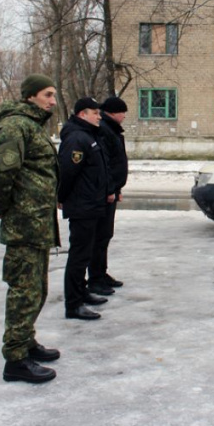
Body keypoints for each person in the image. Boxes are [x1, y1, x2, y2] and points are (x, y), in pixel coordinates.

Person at [0, 73, 61, 384]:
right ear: (30, 96)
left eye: (53, 95)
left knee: (37, 289)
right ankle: (15, 359)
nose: (52, 101)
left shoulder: (31, 125)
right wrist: (1, 206)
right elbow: (1, 172)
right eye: (47, 95)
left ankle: (26, 341)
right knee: (24, 291)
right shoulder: (15, 126)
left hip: (37, 221)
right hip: (24, 224)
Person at [59, 97, 113, 320]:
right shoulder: (77, 138)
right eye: (95, 112)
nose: (99, 116)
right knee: (79, 256)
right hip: (82, 206)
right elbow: (67, 173)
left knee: (86, 253)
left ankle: (82, 293)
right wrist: (61, 197)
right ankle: (73, 304)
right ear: (83, 114)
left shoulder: (89, 135)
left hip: (92, 204)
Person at [87, 97, 129, 295]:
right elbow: (105, 165)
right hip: (104, 194)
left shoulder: (110, 129)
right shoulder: (104, 129)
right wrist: (111, 189)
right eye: (122, 112)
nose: (124, 116)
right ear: (113, 112)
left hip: (110, 192)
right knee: (100, 237)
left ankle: (100, 273)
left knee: (105, 235)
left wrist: (116, 189)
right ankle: (95, 278)